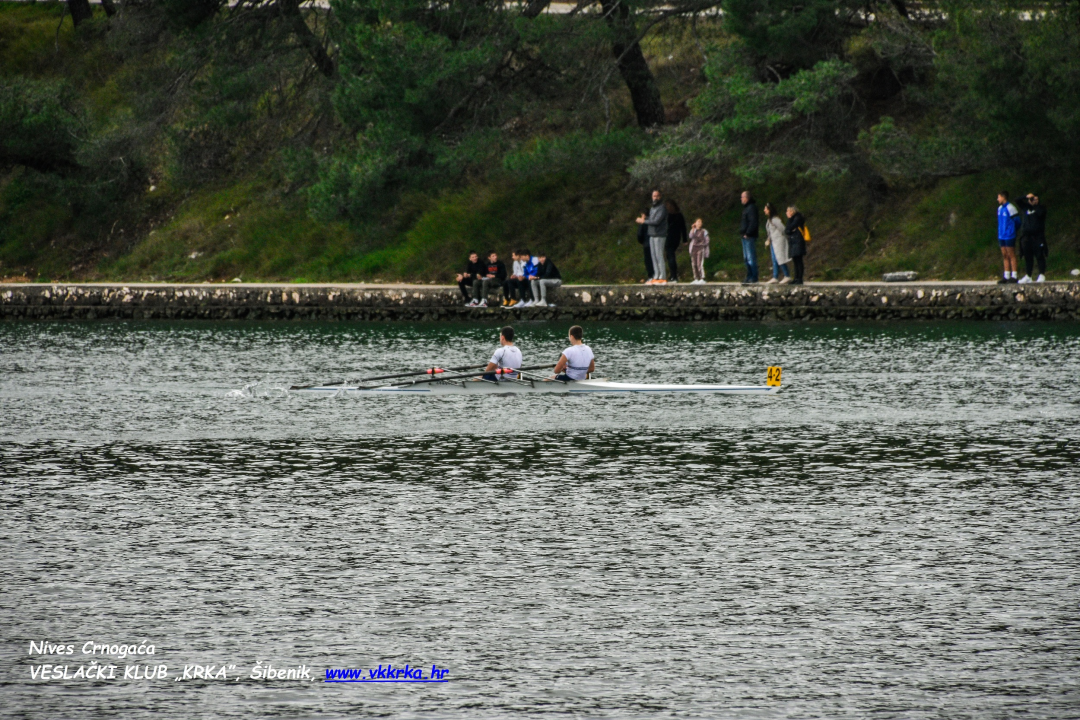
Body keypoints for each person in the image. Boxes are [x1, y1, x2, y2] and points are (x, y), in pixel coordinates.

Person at [636, 190, 668, 284]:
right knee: (653, 256)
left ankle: (663, 276)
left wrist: (643, 221)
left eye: (657, 196)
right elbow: (651, 219)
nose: (655, 198)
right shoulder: (652, 208)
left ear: (660, 197)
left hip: (659, 234)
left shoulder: (662, 208)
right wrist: (645, 219)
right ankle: (656, 276)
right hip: (652, 235)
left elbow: (656, 221)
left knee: (659, 255)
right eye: (654, 196)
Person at [1014, 194, 1047, 283]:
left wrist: (1035, 205)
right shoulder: (1025, 208)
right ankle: (1028, 275)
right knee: (1028, 257)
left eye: (1035, 199)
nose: (1033, 200)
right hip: (1026, 237)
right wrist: (1026, 196)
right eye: (1032, 199)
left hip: (1038, 236)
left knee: (1039, 255)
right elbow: (1017, 200)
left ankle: (1041, 274)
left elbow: (1041, 214)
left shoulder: (1040, 208)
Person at [763, 202, 791, 284]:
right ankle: (775, 276)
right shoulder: (769, 220)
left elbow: (783, 229)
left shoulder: (775, 220)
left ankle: (787, 275)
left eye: (765, 209)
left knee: (780, 258)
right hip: (773, 242)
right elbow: (770, 232)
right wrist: (768, 239)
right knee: (774, 259)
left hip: (778, 241)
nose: (764, 210)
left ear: (769, 210)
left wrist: (782, 237)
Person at [997, 191, 1020, 284]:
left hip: (1009, 235)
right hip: (1001, 235)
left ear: (1003, 197)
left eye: (999, 197)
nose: (998, 199)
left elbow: (1017, 221)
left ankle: (1014, 275)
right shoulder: (999, 208)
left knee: (1011, 254)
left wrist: (1012, 230)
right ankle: (1006, 275)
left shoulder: (1011, 208)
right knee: (1004, 254)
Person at [665, 199, 688, 283]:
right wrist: (684, 239)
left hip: (669, 237)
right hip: (677, 237)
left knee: (670, 256)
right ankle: (673, 275)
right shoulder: (679, 215)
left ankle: (673, 276)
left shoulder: (668, 216)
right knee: (671, 255)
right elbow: (683, 228)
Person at [739, 191, 759, 284]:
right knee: (746, 258)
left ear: (747, 198)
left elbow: (753, 222)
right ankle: (749, 275)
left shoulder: (751, 208)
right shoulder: (746, 208)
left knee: (751, 257)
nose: (741, 199)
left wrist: (748, 233)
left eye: (742, 197)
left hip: (749, 236)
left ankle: (754, 276)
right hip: (744, 235)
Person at [785, 205, 807, 285]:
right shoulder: (791, 220)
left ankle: (799, 278)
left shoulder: (798, 218)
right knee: (795, 261)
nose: (786, 213)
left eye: (788, 211)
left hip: (798, 241)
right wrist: (790, 230)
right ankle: (796, 277)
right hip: (793, 241)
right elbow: (787, 230)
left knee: (799, 260)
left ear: (791, 211)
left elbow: (790, 227)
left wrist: (790, 229)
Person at [688, 218, 710, 284]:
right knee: (694, 264)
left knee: (699, 263)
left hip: (700, 248)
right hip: (694, 248)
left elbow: (707, 240)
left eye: (700, 222)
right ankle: (696, 278)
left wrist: (703, 244)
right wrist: (692, 228)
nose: (699, 223)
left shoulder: (704, 231)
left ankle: (702, 277)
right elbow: (690, 236)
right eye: (698, 222)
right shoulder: (693, 230)